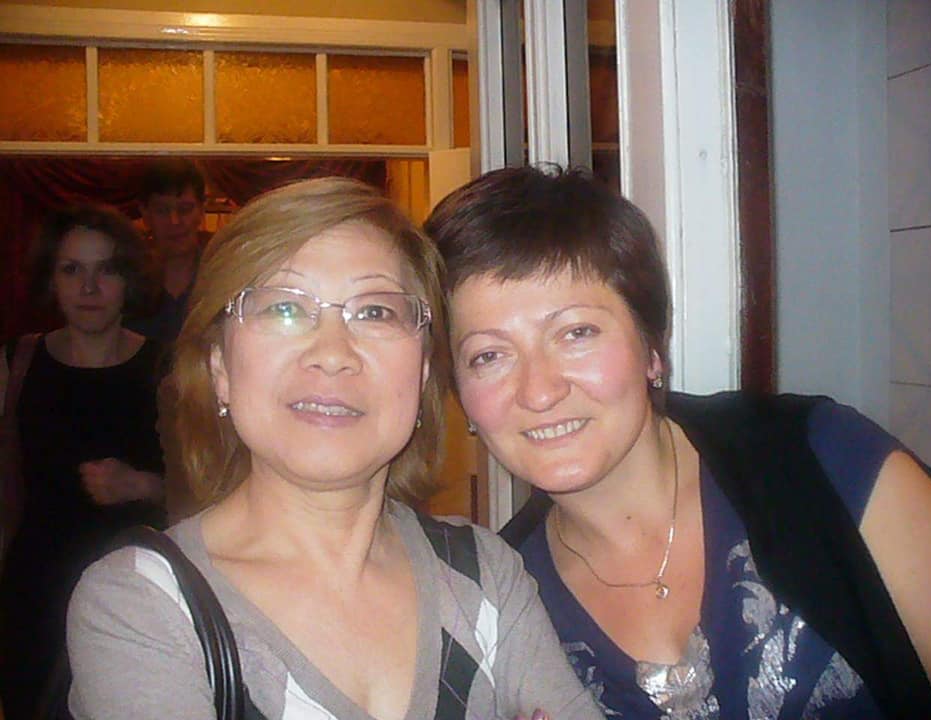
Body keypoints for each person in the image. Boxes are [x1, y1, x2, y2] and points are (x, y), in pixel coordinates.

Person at [424, 165, 931, 719]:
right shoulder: (505, 607)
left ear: (652, 348)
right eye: (488, 356)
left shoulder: (820, 458)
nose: (539, 391)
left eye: (576, 333)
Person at [66, 177, 602, 720]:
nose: (332, 353)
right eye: (283, 308)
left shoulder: (485, 575)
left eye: (375, 313)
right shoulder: (142, 602)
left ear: (422, 372)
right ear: (220, 367)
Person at [0, 204, 166, 719]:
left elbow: (213, 489)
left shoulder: (167, 368)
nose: (89, 288)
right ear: (51, 279)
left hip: (139, 597)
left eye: (106, 270)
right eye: (72, 269)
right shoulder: (16, 363)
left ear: (129, 279)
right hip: (35, 596)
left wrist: (141, 484)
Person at [128, 157, 209, 346]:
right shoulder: (126, 284)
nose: (174, 221)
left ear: (201, 211)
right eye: (162, 210)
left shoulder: (220, 279)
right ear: (145, 213)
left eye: (185, 209)